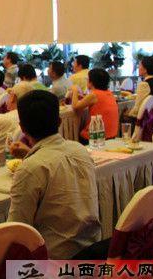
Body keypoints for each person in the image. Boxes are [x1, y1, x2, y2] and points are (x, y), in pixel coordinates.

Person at [8, 90, 101, 259]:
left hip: (54, 261)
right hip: (93, 250)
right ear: (59, 121)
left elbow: (17, 231)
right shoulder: (80, 150)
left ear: (22, 128)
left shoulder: (30, 168)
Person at [72, 68, 119, 143]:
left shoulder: (94, 94)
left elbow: (75, 106)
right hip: (112, 134)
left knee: (78, 134)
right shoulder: (109, 93)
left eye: (87, 79)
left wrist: (74, 90)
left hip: (98, 136)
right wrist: (84, 97)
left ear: (91, 82)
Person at [127, 56, 153, 133]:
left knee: (125, 117)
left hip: (151, 126)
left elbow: (137, 110)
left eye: (140, 65)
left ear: (145, 69)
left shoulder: (144, 84)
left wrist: (128, 113)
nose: (138, 67)